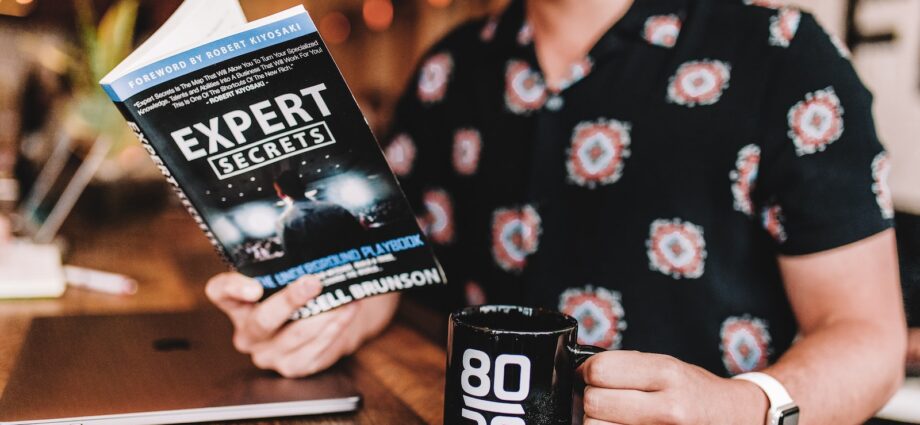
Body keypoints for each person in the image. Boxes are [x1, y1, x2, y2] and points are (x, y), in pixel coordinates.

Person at [207, 0, 907, 423]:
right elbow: (401, 268)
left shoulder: (783, 56)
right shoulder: (449, 69)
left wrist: (743, 405)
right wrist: (328, 314)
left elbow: (868, 336)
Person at [272, 170, 366, 261]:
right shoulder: (335, 208)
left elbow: (293, 257)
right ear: (303, 185)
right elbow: (361, 237)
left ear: (281, 194)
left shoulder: (284, 222)